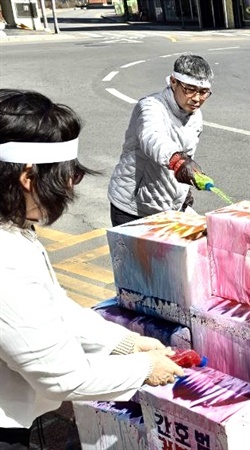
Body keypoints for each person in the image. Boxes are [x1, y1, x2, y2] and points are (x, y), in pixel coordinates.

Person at [0, 89, 184, 448]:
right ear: (28, 176)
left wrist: (126, 343)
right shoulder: (6, 259)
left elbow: (52, 306)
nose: (69, 187)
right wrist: (146, 369)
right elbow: (61, 375)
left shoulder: (13, 229)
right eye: (69, 175)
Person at [108, 53, 215, 226]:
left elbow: (187, 152)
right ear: (173, 82)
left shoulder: (195, 114)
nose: (196, 98)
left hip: (170, 208)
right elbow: (153, 138)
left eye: (203, 92)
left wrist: (184, 192)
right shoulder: (150, 107)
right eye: (189, 89)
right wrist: (178, 161)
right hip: (133, 208)